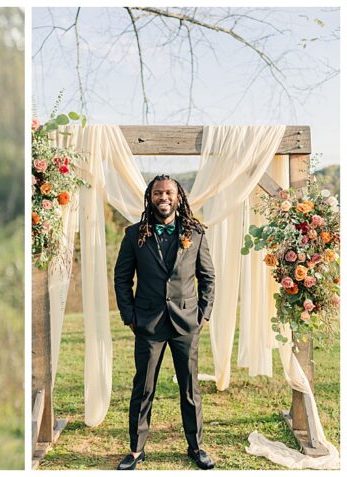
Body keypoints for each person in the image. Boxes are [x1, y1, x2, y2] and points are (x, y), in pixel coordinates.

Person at [113, 175, 217, 470]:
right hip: (147, 323)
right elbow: (122, 279)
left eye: (169, 192)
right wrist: (130, 316)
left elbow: (208, 277)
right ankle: (136, 449)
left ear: (178, 197)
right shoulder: (133, 235)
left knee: (189, 387)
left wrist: (203, 315)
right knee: (143, 387)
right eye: (158, 192)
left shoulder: (195, 233)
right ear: (150, 197)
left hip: (186, 322)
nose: (164, 197)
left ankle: (196, 447)